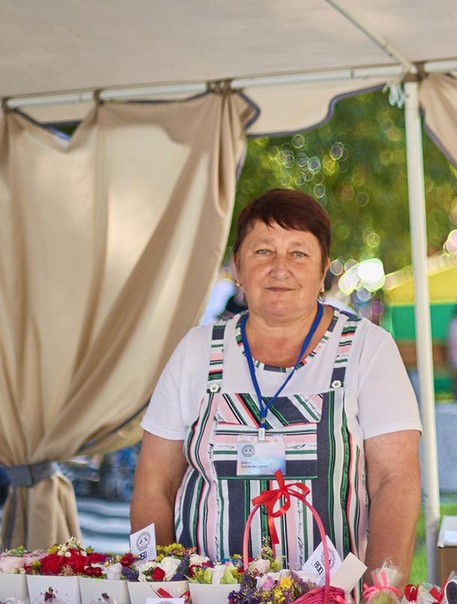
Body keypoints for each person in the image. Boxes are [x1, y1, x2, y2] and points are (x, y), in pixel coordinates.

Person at [131, 189, 422, 581]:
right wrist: (159, 587)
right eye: (263, 251)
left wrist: (380, 593)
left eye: (299, 253)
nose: (280, 268)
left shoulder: (366, 349)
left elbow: (396, 479)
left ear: (323, 272)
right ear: (237, 267)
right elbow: (155, 485)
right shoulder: (197, 351)